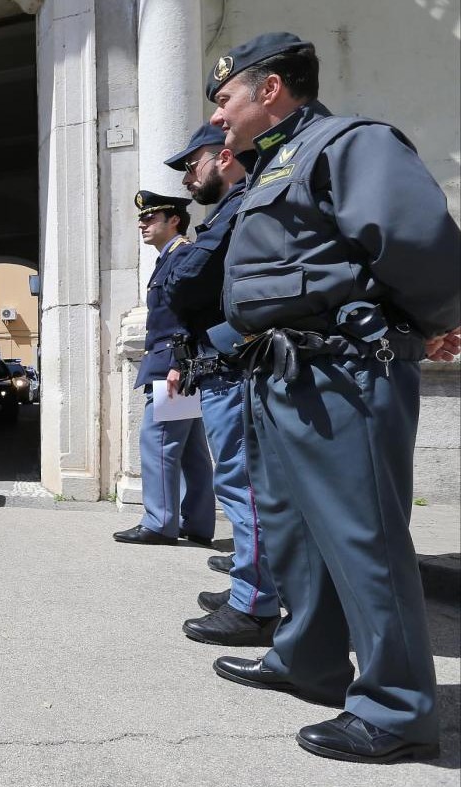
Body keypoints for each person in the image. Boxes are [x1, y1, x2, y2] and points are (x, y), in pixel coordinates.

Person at [205, 32, 460, 763]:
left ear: (271, 89)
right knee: (295, 533)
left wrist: (430, 321)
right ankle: (309, 660)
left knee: (364, 537)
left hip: (342, 372)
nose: (219, 116)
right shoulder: (273, 165)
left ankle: (398, 709)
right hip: (284, 373)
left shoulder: (349, 143)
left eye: (225, 99)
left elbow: (417, 241)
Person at [160, 122, 280, 647]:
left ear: (224, 157)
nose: (188, 177)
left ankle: (255, 604)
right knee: (242, 482)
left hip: (233, 365)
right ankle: (252, 587)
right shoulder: (227, 209)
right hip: (221, 363)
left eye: (193, 164)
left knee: (242, 483)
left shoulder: (241, 204)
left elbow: (184, 281)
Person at [112, 190, 215, 548]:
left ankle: (159, 523)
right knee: (190, 450)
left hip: (173, 364)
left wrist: (177, 364)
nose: (143, 223)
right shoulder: (170, 258)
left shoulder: (181, 256)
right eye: (142, 218)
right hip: (179, 363)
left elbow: (186, 316)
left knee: (158, 444)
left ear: (174, 220)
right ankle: (198, 523)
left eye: (151, 217)